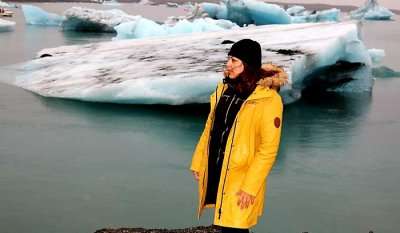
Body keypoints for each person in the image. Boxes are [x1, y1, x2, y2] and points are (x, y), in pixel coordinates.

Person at [189, 39, 287, 233]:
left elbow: (268, 149)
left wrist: (250, 187)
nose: (228, 65)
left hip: (241, 176)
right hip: (220, 169)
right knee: (223, 220)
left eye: (234, 60)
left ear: (247, 64)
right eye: (229, 59)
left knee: (235, 225)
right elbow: (210, 127)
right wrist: (198, 160)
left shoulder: (268, 100)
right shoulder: (225, 89)